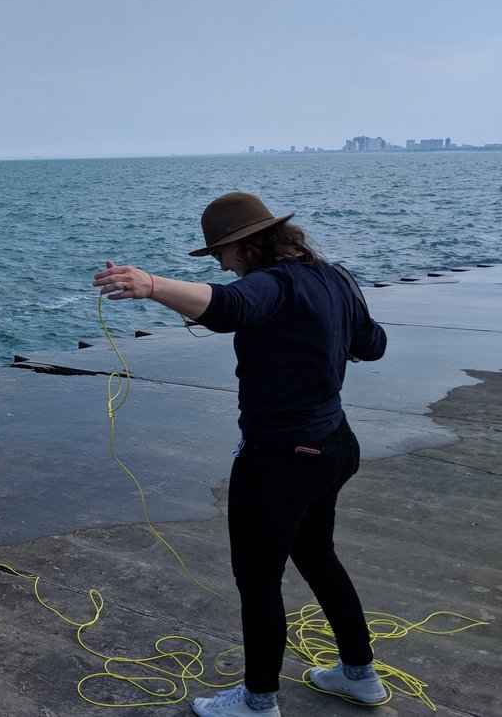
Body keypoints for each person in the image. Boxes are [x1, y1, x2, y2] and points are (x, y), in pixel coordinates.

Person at [92, 192, 388, 717]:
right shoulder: (336, 276)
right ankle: (359, 676)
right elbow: (373, 345)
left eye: (221, 254)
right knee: (318, 556)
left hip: (281, 458)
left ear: (245, 246)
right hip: (335, 446)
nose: (221, 265)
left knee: (258, 581)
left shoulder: (267, 286)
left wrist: (152, 286)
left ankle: (257, 702)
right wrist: (319, 334)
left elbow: (228, 307)